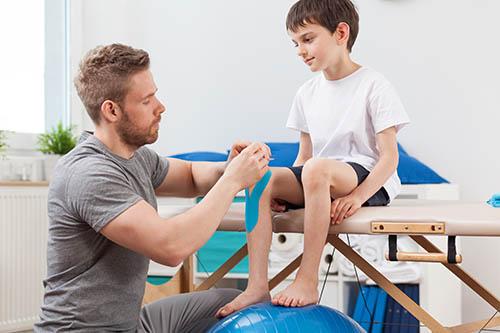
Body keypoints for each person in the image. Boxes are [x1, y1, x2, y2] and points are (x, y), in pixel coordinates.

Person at [34, 43, 270, 332]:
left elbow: (191, 176)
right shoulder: (88, 173)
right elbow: (170, 246)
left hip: (130, 324)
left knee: (234, 302)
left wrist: (228, 167)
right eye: (147, 100)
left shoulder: (134, 156)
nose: (161, 107)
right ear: (112, 110)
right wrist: (233, 180)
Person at [216, 0, 410, 317]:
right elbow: (304, 158)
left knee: (317, 170)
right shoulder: (306, 93)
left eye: (307, 39)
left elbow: (389, 158)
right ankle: (256, 286)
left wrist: (360, 196)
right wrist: (282, 193)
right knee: (260, 175)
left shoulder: (374, 85)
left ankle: (307, 279)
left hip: (366, 176)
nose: (300, 50)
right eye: (295, 43)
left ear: (341, 33)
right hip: (319, 177)